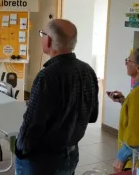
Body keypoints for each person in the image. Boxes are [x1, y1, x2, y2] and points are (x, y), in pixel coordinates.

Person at [15, 19, 99, 175]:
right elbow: (92, 115)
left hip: (43, 161)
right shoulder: (88, 70)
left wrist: (20, 151)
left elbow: (33, 124)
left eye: (42, 33)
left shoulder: (46, 76)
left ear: (48, 40)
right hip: (71, 154)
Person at [108, 49, 139, 172]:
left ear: (137, 67)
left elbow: (135, 132)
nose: (126, 64)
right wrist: (123, 101)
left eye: (128, 61)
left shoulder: (137, 93)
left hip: (134, 160)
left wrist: (121, 157)